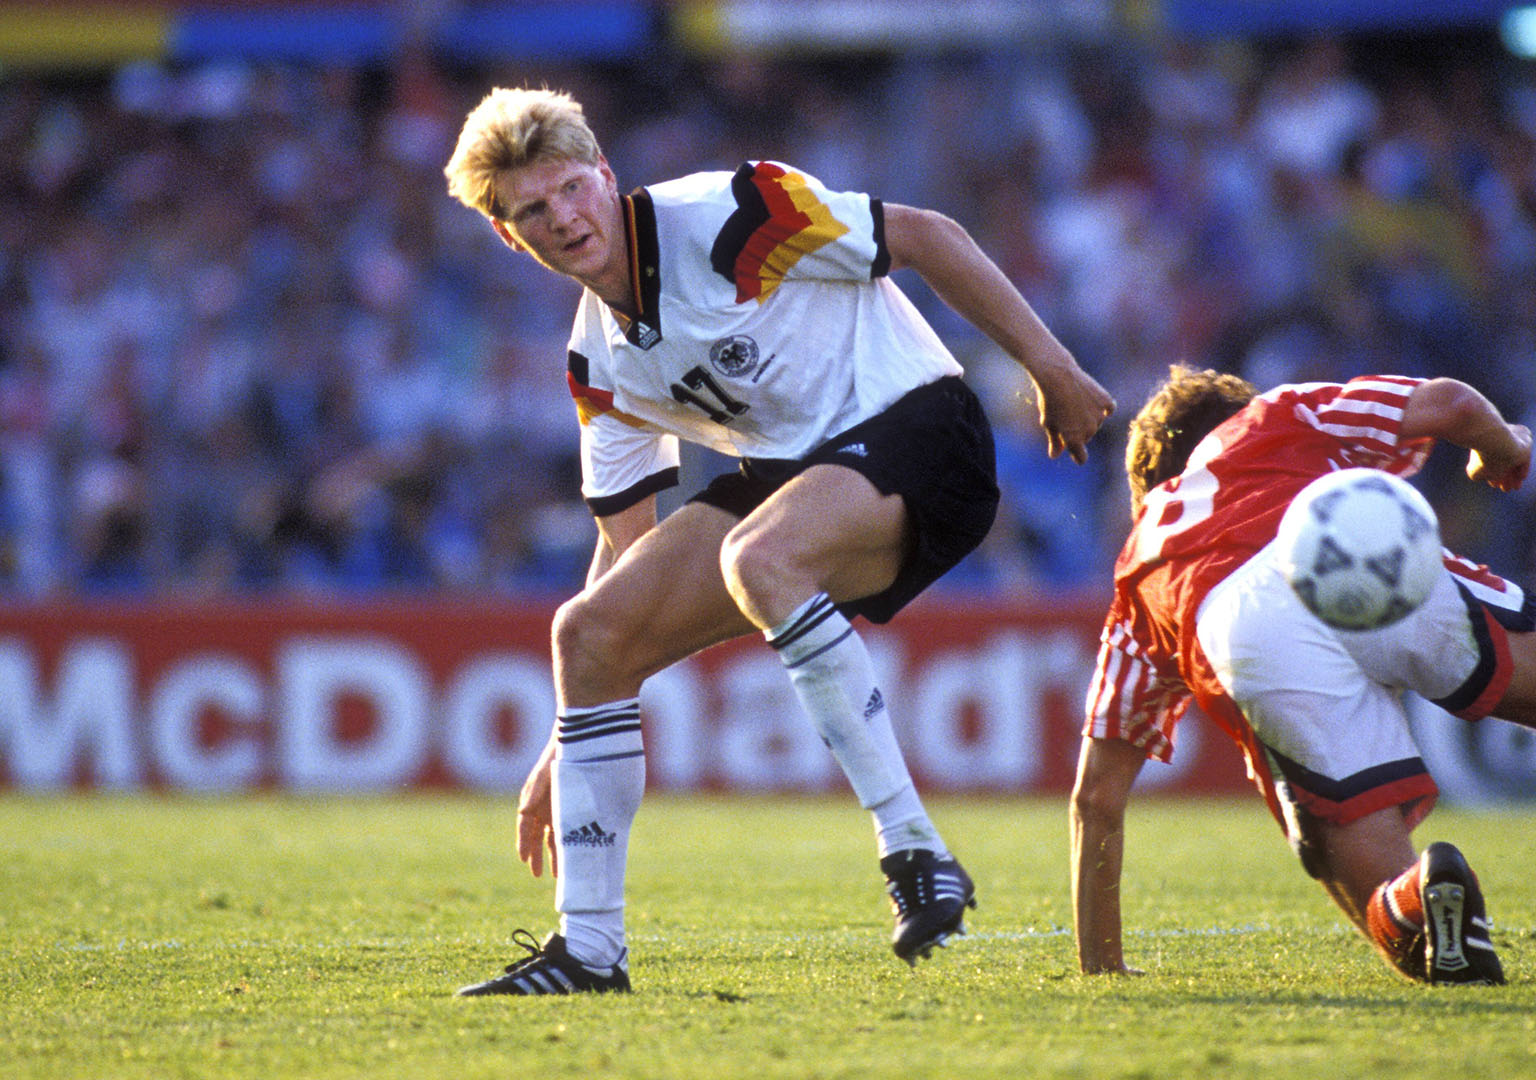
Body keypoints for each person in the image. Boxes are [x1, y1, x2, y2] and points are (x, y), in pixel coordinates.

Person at [442, 87, 1113, 995]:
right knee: (585, 633)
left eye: (570, 189)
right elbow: (624, 559)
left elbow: (924, 234)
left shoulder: (729, 216)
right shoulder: (597, 363)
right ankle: (589, 955)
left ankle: (914, 851)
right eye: (533, 210)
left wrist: (1054, 369)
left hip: (920, 426)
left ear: (606, 175)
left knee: (759, 556)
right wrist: (567, 739)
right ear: (507, 235)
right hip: (790, 482)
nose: (562, 218)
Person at [1073, 367, 1536, 985]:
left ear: (1150, 486)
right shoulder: (1270, 416)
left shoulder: (1140, 567)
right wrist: (1506, 449)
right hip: (1348, 544)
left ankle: (1423, 892)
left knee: (1403, 927)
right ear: (1228, 414)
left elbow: (1097, 797)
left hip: (1237, 626)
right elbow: (1453, 405)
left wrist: (1103, 967)